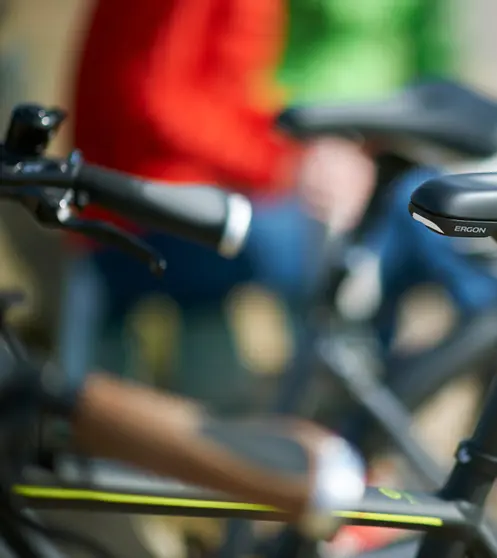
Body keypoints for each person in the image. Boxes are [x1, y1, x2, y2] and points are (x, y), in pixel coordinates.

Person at [58, 0, 377, 407]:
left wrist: (296, 148)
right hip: (135, 208)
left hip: (178, 196)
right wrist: (281, 164)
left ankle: (316, 426)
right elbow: (156, 98)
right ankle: (333, 432)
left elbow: (220, 92)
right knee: (335, 247)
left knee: (353, 230)